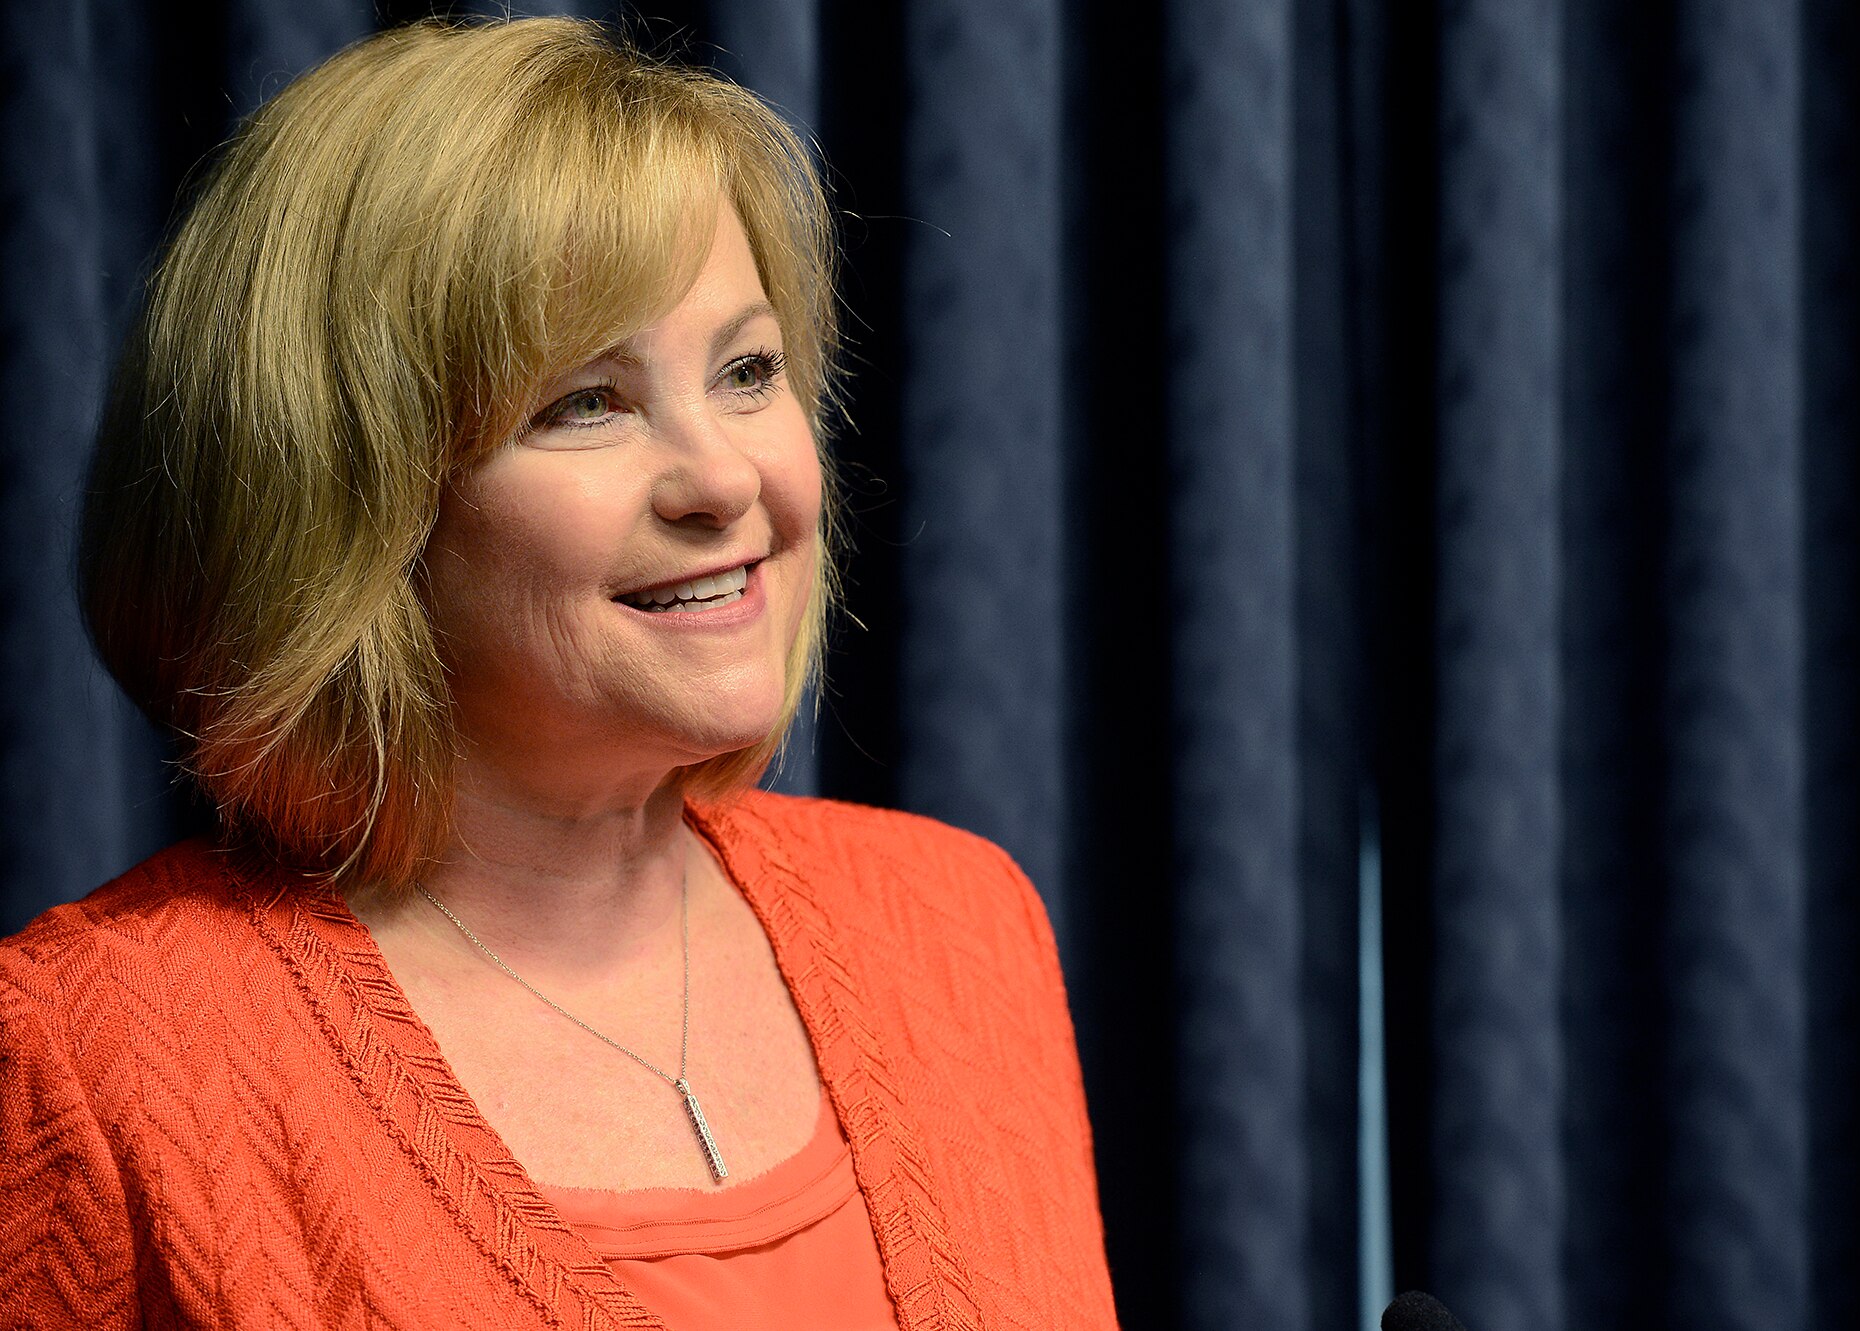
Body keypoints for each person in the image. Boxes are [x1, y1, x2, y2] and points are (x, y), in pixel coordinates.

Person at [0, 17, 1116, 1329]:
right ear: (351, 509)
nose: (724, 479)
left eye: (747, 372)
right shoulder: (88, 1056)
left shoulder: (957, 928)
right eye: (586, 401)